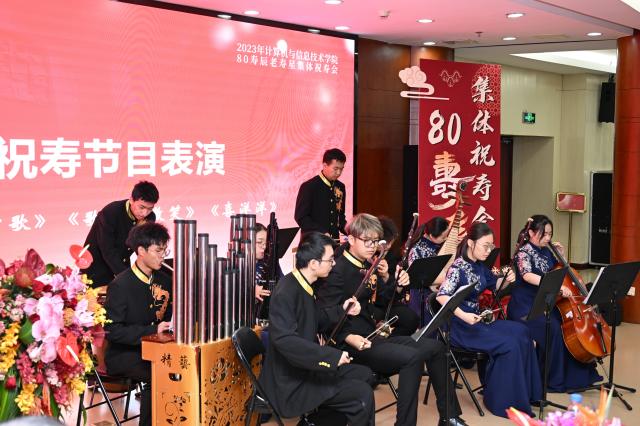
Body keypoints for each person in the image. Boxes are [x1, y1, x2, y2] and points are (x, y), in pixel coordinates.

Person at [316, 213, 464, 426]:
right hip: (353, 343)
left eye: (376, 241)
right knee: (412, 358)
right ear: (352, 239)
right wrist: (347, 336)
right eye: (367, 241)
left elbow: (381, 302)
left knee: (436, 348)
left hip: (373, 335)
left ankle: (449, 416)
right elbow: (323, 316)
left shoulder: (367, 264)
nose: (372, 246)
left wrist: (396, 284)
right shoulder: (337, 270)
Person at [259, 232, 375, 425]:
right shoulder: (286, 291)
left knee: (365, 375)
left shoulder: (304, 285)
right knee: (361, 394)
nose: (334, 264)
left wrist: (343, 310)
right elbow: (286, 341)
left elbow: (315, 319)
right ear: (313, 263)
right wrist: (330, 357)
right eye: (330, 260)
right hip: (291, 382)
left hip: (304, 369)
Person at [436, 221, 541, 418]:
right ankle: (502, 401)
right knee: (510, 344)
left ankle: (526, 394)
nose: (489, 250)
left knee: (523, 331)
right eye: (485, 246)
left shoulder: (479, 266)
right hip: (460, 327)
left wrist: (507, 278)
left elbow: (495, 285)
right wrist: (464, 315)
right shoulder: (457, 267)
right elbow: (442, 296)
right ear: (470, 243)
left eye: (491, 246)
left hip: (478, 321)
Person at [507, 215, 601, 392]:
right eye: (544, 234)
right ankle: (551, 380)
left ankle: (575, 376)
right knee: (554, 330)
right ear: (531, 232)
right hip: (525, 306)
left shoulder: (546, 251)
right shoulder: (523, 252)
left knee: (568, 327)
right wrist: (555, 287)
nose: (548, 238)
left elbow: (560, 271)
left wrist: (562, 256)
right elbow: (527, 275)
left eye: (550, 234)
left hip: (546, 302)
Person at [104, 222, 172, 426]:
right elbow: (112, 331)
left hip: (157, 349)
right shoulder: (120, 285)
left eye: (165, 250)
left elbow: (168, 316)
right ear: (141, 251)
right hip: (124, 354)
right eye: (158, 251)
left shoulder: (165, 280)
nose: (163, 256)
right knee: (158, 373)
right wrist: (152, 330)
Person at [82, 181, 159, 287]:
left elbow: (142, 248)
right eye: (141, 207)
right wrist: (127, 276)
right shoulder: (111, 212)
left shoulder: (150, 218)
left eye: (150, 209)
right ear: (131, 199)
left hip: (121, 266)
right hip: (95, 268)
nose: (145, 213)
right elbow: (107, 250)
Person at [370, 215, 419, 336]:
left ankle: (389, 339)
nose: (389, 246)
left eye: (391, 243)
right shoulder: (368, 253)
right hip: (371, 303)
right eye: (386, 243)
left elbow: (393, 293)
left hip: (386, 299)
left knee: (410, 318)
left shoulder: (392, 256)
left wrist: (386, 275)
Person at [295, 148, 347, 240]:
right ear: (325, 165)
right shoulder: (309, 186)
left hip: (334, 242)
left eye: (341, 169)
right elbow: (301, 217)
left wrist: (352, 232)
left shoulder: (340, 187)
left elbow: (340, 217)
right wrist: (321, 232)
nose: (339, 173)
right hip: (313, 242)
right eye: (335, 169)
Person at [407, 216, 450, 325]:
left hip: (437, 293)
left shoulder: (439, 246)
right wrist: (447, 277)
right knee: (426, 326)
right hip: (421, 296)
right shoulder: (416, 250)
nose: (446, 239)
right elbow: (419, 278)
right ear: (431, 236)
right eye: (443, 237)